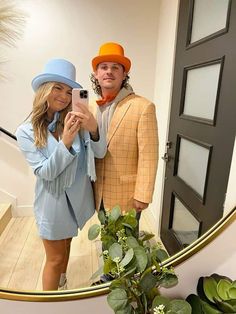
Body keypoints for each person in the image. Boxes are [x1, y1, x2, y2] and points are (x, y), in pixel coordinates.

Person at [16, 58, 106, 291]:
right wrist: (65, 140)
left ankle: (62, 286)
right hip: (52, 203)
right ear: (45, 89)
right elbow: (46, 173)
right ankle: (49, 303)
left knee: (66, 246)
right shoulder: (26, 132)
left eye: (69, 91)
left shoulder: (73, 119)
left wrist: (93, 128)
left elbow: (99, 152)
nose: (64, 96)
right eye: (57, 88)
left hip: (76, 199)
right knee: (54, 259)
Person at [90, 42, 159, 283]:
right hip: (98, 189)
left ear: (124, 74)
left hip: (127, 192)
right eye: (103, 67)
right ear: (96, 75)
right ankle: (110, 277)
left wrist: (143, 193)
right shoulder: (89, 107)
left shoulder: (142, 107)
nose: (108, 71)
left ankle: (128, 285)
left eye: (115, 67)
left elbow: (149, 154)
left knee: (127, 239)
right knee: (107, 235)